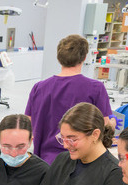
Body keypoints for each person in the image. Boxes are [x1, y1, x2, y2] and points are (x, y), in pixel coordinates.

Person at [25, 34, 113, 164]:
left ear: (59, 57)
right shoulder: (95, 88)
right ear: (84, 57)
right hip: (80, 161)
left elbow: (28, 124)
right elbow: (104, 127)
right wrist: (112, 123)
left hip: (44, 161)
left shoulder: (39, 88)